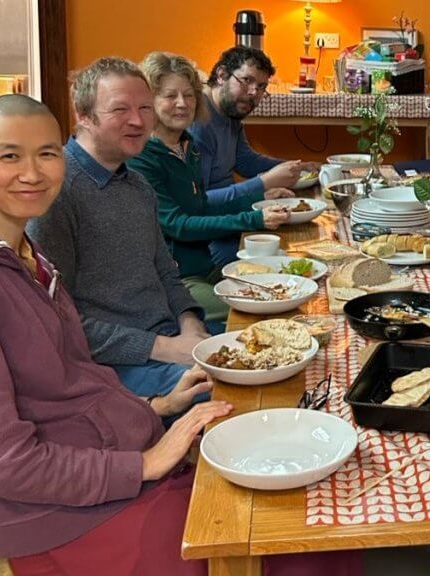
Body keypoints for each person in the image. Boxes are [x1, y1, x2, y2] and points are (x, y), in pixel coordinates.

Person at [0, 93, 359, 576]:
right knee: (299, 542)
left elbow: (72, 386)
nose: (32, 172)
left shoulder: (30, 260)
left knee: (319, 515)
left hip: (122, 462)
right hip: (68, 521)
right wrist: (146, 463)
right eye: (9, 155)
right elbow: (1, 464)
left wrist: (156, 407)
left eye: (46, 153)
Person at [27, 57, 211, 400]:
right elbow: (55, 318)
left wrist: (191, 325)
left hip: (170, 338)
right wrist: (164, 348)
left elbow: (165, 273)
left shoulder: (138, 185)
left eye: (145, 108)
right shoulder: (54, 193)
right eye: (120, 109)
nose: (138, 121)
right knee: (234, 397)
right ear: (83, 115)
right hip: (114, 366)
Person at [128, 52, 291, 322]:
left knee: (284, 285)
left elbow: (201, 204)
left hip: (204, 268)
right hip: (173, 281)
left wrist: (259, 201)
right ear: (148, 101)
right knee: (264, 311)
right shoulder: (142, 156)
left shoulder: (186, 145)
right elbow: (178, 225)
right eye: (170, 96)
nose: (182, 104)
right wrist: (253, 218)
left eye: (189, 95)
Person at [188, 46, 310, 266]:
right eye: (246, 80)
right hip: (209, 236)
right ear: (222, 75)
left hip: (231, 216)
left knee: (300, 242)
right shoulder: (199, 123)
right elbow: (199, 203)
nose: (254, 92)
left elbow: (245, 160)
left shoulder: (231, 112)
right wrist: (263, 184)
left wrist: (297, 167)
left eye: (261, 87)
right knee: (285, 255)